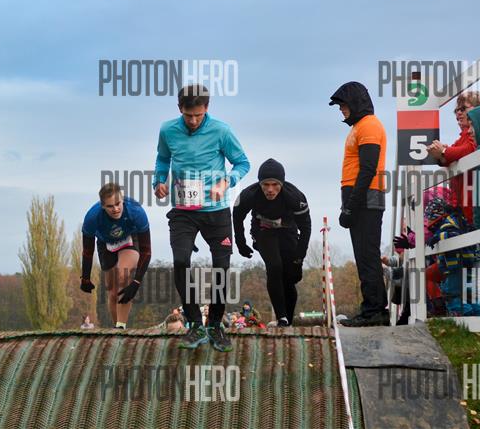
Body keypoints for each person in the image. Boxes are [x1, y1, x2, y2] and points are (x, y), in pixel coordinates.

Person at [153, 84, 250, 352]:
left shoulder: (221, 131)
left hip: (216, 210)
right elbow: (162, 159)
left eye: (198, 115)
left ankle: (215, 324)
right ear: (179, 109)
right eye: (188, 115)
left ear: (207, 108)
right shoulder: (167, 130)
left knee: (221, 267)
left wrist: (226, 182)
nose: (193, 121)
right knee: (181, 261)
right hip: (183, 211)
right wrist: (158, 181)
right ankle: (195, 323)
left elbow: (243, 163)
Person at [329, 81, 389, 326]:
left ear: (355, 103)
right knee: (364, 256)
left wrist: (350, 206)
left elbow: (368, 169)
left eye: (343, 105)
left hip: (366, 198)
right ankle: (373, 308)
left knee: (368, 255)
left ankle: (374, 311)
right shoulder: (359, 127)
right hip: (360, 198)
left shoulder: (370, 125)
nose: (341, 110)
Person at [233, 158, 311, 326]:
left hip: (288, 231)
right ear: (259, 184)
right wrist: (241, 243)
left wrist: (299, 258)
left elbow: (306, 228)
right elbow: (237, 216)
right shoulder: (249, 194)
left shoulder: (295, 197)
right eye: (265, 185)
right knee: (274, 266)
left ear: (281, 184)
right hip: (263, 231)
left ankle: (288, 321)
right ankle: (281, 317)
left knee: (288, 278)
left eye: (275, 185)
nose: (270, 190)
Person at [80, 182, 152, 329]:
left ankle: (121, 325)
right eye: (110, 206)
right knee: (112, 291)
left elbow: (146, 251)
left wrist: (136, 281)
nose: (116, 209)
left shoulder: (136, 211)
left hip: (130, 238)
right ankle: (117, 331)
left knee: (122, 274)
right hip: (105, 243)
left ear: (122, 199)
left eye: (118, 204)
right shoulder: (92, 217)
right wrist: (85, 277)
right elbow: (87, 251)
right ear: (102, 206)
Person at [427, 92, 480, 223]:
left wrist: (443, 151)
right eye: (456, 110)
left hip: (475, 205)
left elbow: (469, 149)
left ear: (478, 109)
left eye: (463, 108)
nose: (458, 113)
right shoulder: (462, 139)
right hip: (464, 206)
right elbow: (453, 153)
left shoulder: (479, 133)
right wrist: (441, 155)